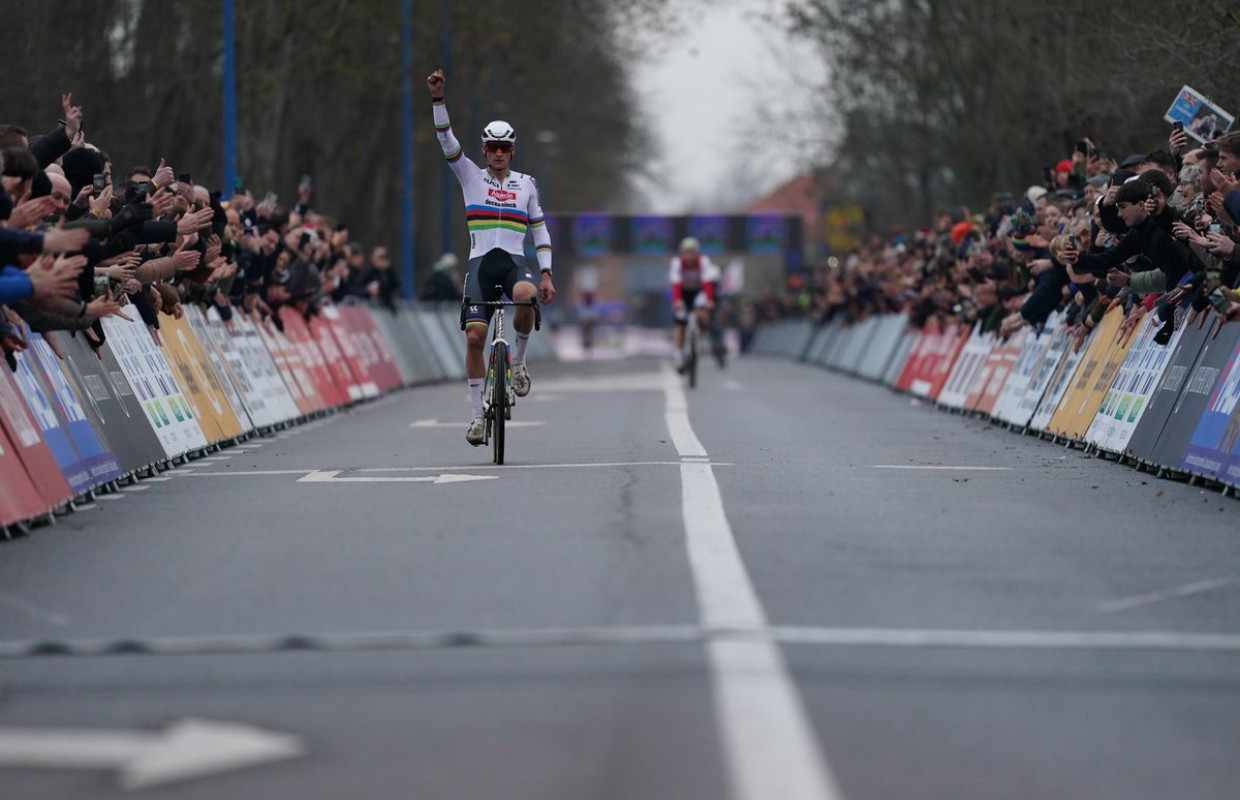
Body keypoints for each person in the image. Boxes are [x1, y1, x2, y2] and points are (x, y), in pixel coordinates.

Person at [427, 68, 556, 446]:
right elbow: (445, 139)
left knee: (525, 296)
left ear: (513, 150)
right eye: (492, 148)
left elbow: (540, 230)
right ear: (484, 150)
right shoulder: (469, 176)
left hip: (514, 262)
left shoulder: (526, 184)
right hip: (481, 265)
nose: (499, 154)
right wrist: (438, 100)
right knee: (474, 339)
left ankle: (517, 362)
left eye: (505, 148)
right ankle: (477, 419)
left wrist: (545, 273)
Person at [669, 236, 720, 373]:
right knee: (680, 324)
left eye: (692, 252)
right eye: (686, 252)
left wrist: (709, 300)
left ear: (697, 253)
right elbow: (676, 284)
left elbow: (707, 283)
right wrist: (677, 301)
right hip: (683, 294)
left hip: (698, 292)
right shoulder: (676, 263)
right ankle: (679, 356)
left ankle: (702, 337)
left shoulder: (704, 262)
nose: (689, 256)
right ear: (682, 253)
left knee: (703, 314)